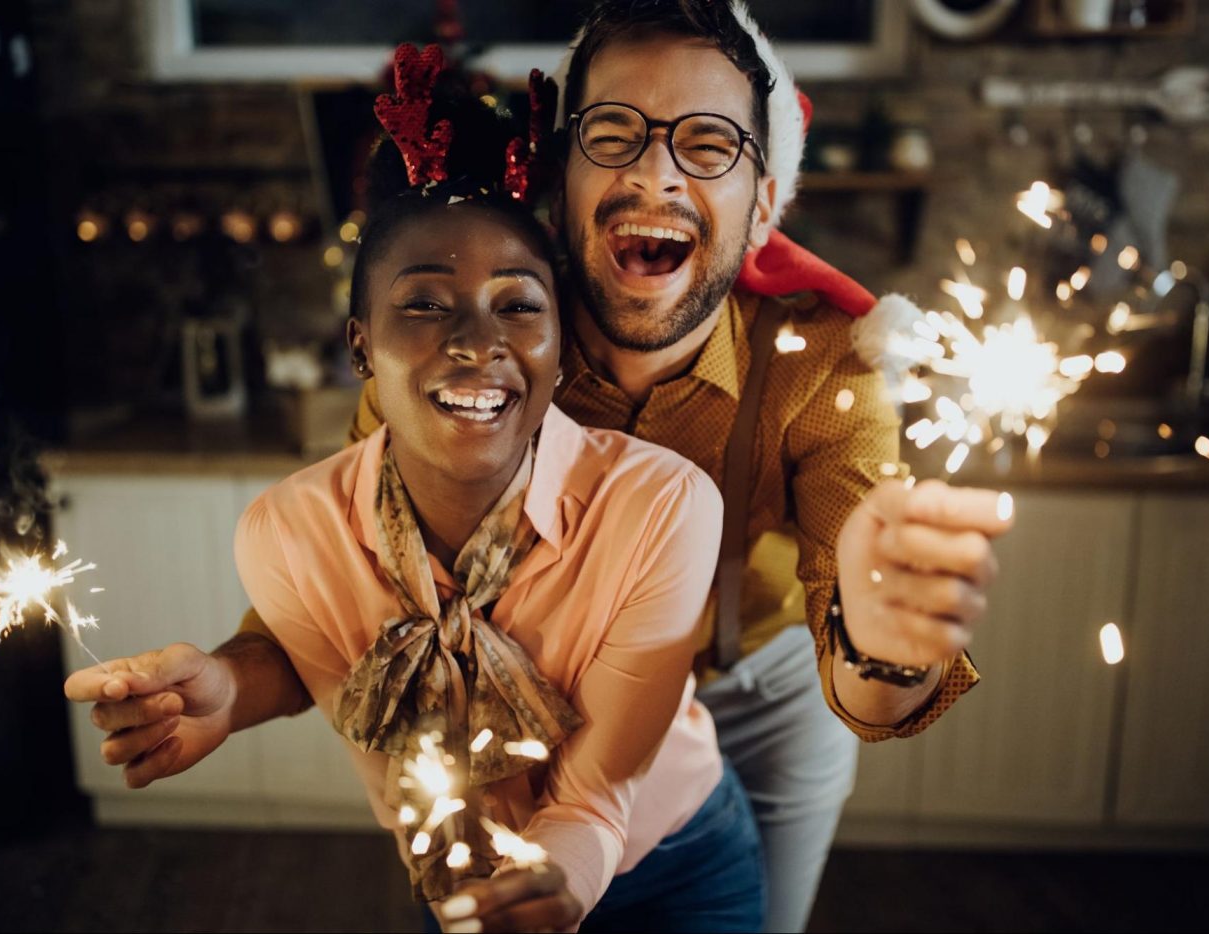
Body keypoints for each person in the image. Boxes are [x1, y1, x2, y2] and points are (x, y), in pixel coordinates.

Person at [66, 4, 1014, 932]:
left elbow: (871, 675)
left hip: (768, 686)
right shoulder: (472, 357)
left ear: (763, 203)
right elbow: (348, 591)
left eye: (709, 145)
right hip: (556, 708)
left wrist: (882, 636)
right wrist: (229, 683)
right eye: (615, 133)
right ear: (559, 178)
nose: (655, 172)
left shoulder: (827, 366)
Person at [74, 49, 766, 932]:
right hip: (461, 879)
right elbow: (317, 653)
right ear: (361, 346)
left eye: (519, 306)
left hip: (677, 860)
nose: (480, 341)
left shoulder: (663, 508)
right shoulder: (288, 533)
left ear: (560, 347)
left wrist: (559, 878)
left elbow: (596, 796)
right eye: (427, 305)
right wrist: (225, 687)